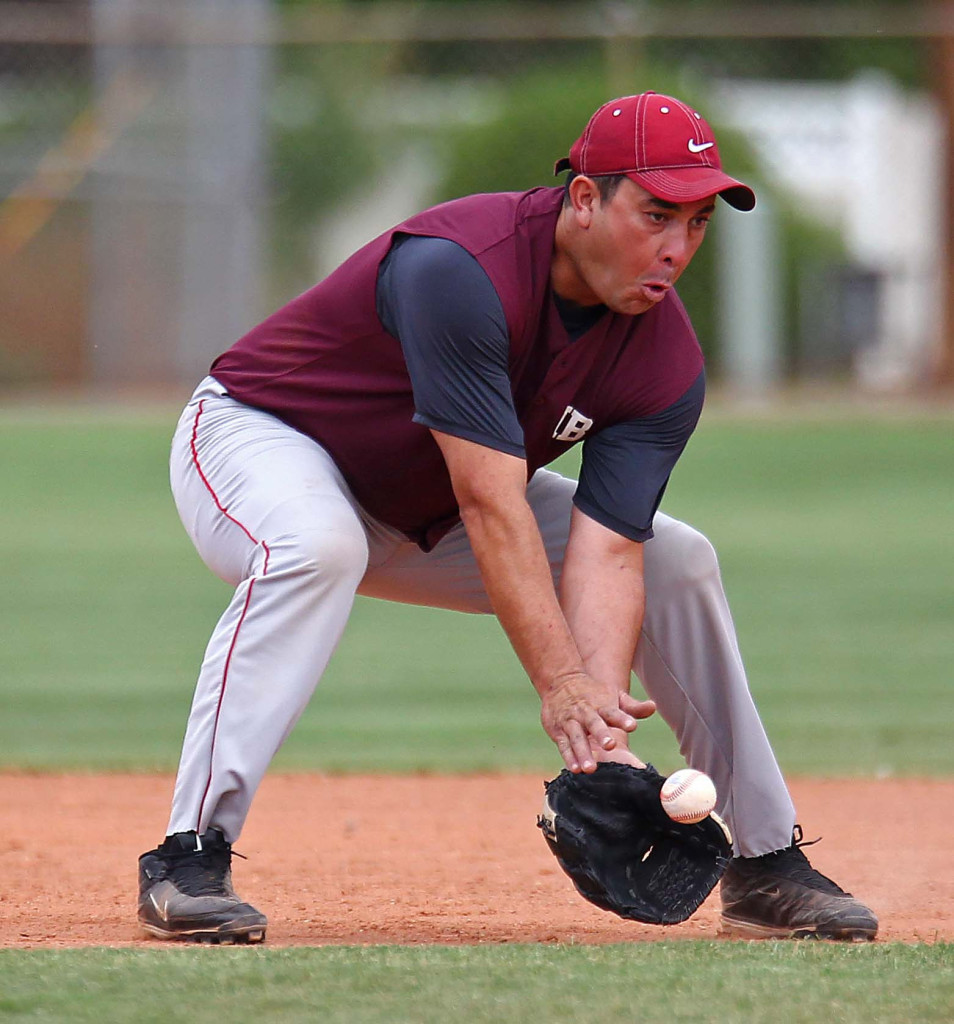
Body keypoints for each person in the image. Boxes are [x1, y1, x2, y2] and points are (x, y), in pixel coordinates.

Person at [137, 91, 877, 944]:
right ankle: (188, 855)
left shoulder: (664, 359)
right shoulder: (462, 269)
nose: (677, 249)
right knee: (317, 544)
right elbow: (492, 503)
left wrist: (599, 742)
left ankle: (765, 866)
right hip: (261, 438)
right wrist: (559, 686)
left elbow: (607, 553)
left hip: (428, 502)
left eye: (699, 221)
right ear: (587, 197)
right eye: (658, 213)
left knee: (679, 556)